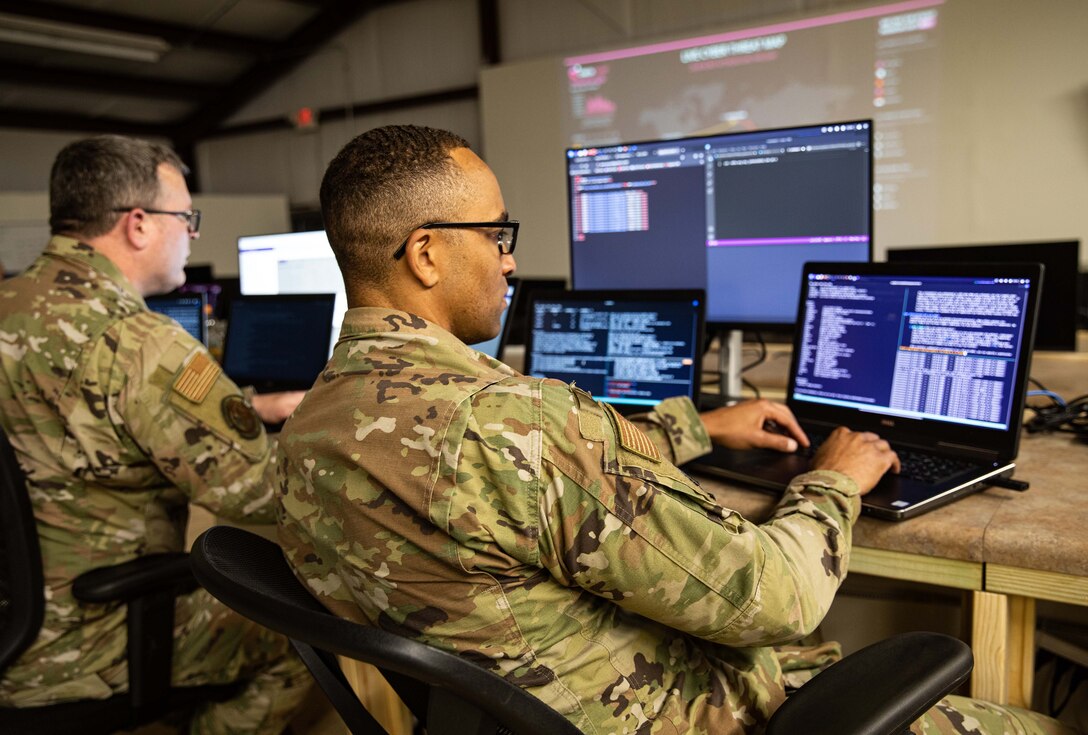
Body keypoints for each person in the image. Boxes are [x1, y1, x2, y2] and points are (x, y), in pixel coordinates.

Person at [275, 125, 1076, 735]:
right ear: (425, 253)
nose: (511, 260)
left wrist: (698, 423)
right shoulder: (518, 422)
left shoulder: (311, 429)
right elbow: (778, 595)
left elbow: (537, 476)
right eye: (495, 235)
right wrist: (834, 478)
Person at [0, 135, 311, 734]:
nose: (191, 234)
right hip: (91, 640)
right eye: (186, 218)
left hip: (13, 625)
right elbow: (259, 497)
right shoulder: (139, 344)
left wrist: (244, 406)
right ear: (138, 224)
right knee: (306, 634)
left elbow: (75, 421)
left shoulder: (10, 304)